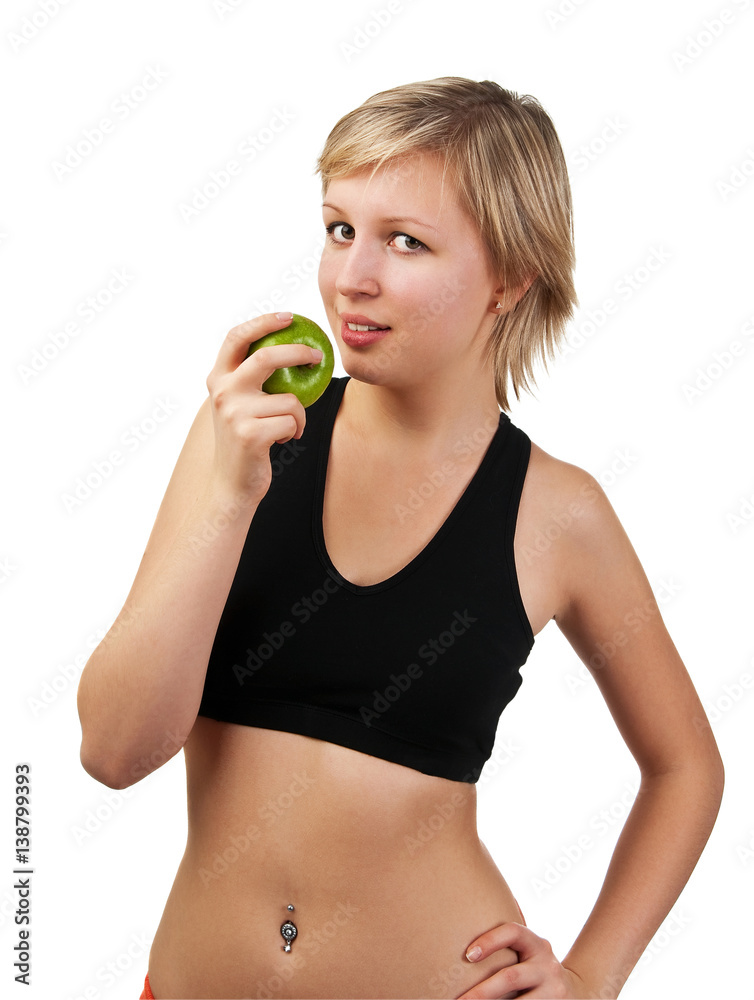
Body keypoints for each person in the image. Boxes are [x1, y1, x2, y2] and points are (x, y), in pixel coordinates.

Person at [76, 77, 724, 1000]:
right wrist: (228, 498)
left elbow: (685, 767)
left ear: (510, 278)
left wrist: (593, 977)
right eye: (340, 228)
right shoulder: (244, 435)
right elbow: (113, 751)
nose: (351, 277)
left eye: (405, 242)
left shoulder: (558, 514)